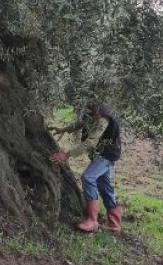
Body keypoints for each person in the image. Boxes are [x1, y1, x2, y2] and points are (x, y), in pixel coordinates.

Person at [50, 99, 123, 233]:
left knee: (88, 177)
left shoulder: (103, 120)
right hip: (100, 155)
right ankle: (114, 225)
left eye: (92, 110)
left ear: (99, 109)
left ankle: (92, 220)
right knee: (104, 186)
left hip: (106, 156)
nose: (90, 113)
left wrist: (67, 154)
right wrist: (63, 129)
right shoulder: (91, 115)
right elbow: (80, 124)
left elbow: (90, 142)